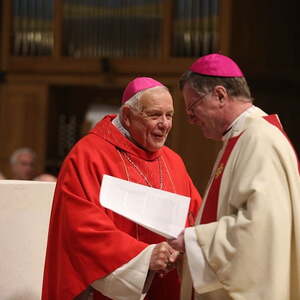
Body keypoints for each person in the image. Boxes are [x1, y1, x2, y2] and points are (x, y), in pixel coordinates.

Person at [42, 77, 202, 300]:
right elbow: (82, 229)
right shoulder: (89, 156)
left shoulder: (173, 161)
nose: (164, 124)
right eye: (155, 115)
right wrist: (146, 257)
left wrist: (185, 245)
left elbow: (196, 216)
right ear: (127, 116)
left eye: (169, 115)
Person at [169, 53, 300, 300]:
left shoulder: (260, 140)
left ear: (219, 95)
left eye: (192, 107)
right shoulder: (241, 138)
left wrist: (194, 240)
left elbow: (260, 230)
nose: (191, 119)